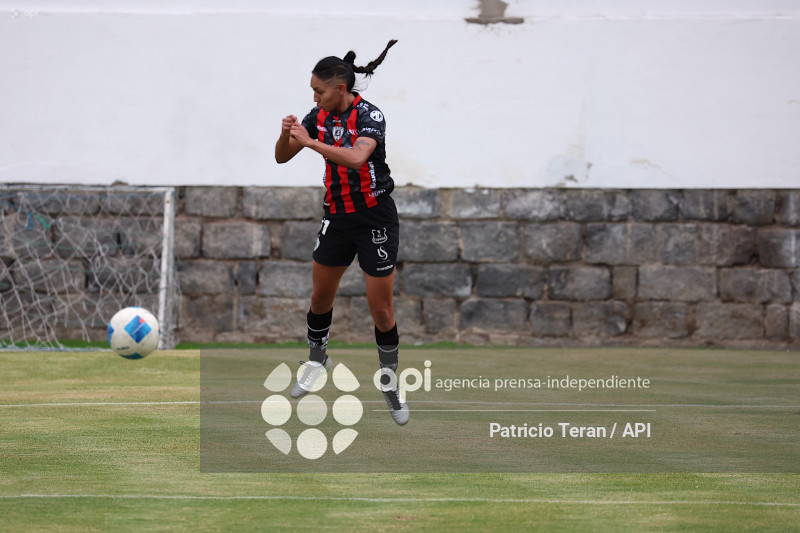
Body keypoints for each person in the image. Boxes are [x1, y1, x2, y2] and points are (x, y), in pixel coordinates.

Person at [275, 40, 408, 425]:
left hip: (374, 220)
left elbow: (355, 157)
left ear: (341, 89)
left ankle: (389, 381)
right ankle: (318, 360)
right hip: (337, 217)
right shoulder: (318, 115)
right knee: (319, 297)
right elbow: (283, 156)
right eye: (312, 92)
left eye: (319, 91)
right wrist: (287, 134)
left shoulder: (371, 116)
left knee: (381, 310)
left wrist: (311, 142)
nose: (314, 98)